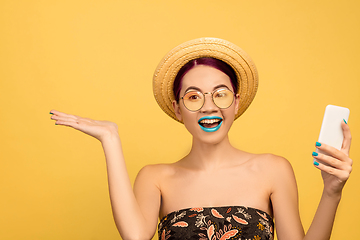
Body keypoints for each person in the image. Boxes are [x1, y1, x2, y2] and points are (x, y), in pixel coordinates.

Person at [50, 38, 352, 240]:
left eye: (219, 94)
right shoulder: (155, 178)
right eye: (194, 97)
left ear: (235, 102)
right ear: (177, 109)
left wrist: (331, 193)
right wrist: (110, 139)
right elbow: (134, 236)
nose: (209, 106)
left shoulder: (273, 170)